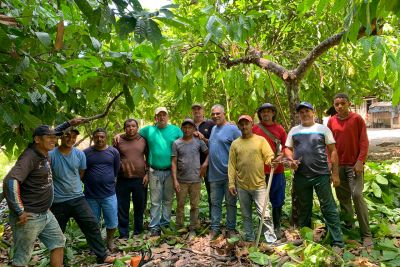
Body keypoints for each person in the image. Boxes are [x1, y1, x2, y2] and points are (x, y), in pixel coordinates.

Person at [2, 119, 79, 267]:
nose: (54, 139)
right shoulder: (30, 157)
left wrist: (70, 123)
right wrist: (19, 211)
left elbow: (52, 133)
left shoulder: (43, 151)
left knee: (58, 242)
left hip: (45, 213)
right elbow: (10, 181)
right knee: (21, 258)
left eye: (54, 137)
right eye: (49, 137)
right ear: (37, 139)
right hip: (29, 216)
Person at [50, 127, 115, 264]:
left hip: (78, 198)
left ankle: (102, 255)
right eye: (67, 136)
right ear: (61, 137)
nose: (70, 139)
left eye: (74, 137)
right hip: (58, 201)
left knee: (91, 224)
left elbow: (81, 173)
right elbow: (47, 177)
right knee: (57, 232)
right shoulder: (51, 155)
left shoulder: (79, 155)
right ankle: (59, 260)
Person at [285, 102, 344, 249]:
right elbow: (287, 148)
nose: (304, 114)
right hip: (301, 176)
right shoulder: (294, 130)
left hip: (321, 175)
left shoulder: (322, 129)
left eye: (307, 111)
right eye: (301, 112)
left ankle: (337, 241)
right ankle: (306, 240)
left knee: (328, 207)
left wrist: (335, 174)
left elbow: (333, 151)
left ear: (313, 112)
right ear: (298, 115)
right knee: (304, 208)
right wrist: (291, 160)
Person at [328, 93, 372, 249]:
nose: (340, 106)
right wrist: (330, 164)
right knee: (343, 197)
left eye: (343, 103)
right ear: (334, 106)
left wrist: (361, 161)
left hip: (354, 166)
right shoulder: (331, 121)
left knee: (357, 195)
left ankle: (366, 234)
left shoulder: (357, 119)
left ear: (349, 104)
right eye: (337, 104)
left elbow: (364, 141)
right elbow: (329, 145)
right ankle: (350, 228)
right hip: (338, 166)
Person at [228, 115, 276, 243]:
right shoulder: (235, 144)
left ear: (251, 125)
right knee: (245, 214)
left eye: (246, 124)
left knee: (264, 213)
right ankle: (250, 238)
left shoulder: (260, 140)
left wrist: (271, 161)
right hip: (242, 185)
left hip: (259, 185)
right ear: (238, 126)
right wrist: (231, 183)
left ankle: (270, 239)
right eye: (241, 124)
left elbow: (268, 156)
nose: (244, 126)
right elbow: (232, 165)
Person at [139, 107, 183, 236]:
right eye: (159, 115)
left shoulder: (175, 130)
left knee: (168, 199)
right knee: (155, 201)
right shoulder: (149, 130)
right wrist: (120, 135)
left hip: (170, 171)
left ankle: (165, 224)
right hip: (154, 171)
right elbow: (133, 134)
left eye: (164, 115)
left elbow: (186, 139)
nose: (162, 117)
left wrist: (197, 134)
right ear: (155, 118)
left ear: (167, 117)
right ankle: (154, 227)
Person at [205, 104, 241, 238]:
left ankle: (230, 229)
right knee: (215, 203)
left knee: (231, 203)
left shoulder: (233, 129)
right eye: (213, 114)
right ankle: (215, 228)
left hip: (229, 175)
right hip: (214, 175)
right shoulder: (214, 128)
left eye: (218, 113)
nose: (215, 116)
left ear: (224, 114)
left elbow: (241, 146)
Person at [252, 103, 287, 238]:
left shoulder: (280, 129)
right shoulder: (255, 129)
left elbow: (285, 147)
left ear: (273, 113)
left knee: (277, 199)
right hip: (259, 171)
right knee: (261, 201)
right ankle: (264, 228)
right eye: (263, 112)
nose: (266, 114)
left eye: (268, 111)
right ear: (260, 114)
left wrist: (280, 157)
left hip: (276, 170)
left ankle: (277, 226)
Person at [83, 128, 120, 251]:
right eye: (97, 137)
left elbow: (116, 170)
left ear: (106, 138)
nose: (99, 139)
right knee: (93, 223)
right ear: (93, 138)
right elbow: (82, 172)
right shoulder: (86, 153)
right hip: (91, 195)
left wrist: (107, 180)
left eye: (102, 137)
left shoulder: (113, 152)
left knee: (112, 220)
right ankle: (96, 244)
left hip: (109, 193)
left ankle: (110, 241)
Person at [172, 118, 208, 235]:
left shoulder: (198, 142)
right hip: (181, 180)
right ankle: (179, 227)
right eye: (185, 127)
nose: (187, 130)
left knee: (194, 205)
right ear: (182, 128)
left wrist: (204, 165)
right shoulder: (177, 143)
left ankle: (194, 226)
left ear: (193, 129)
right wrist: (175, 180)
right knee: (180, 205)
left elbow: (208, 153)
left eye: (190, 127)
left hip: (195, 179)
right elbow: (173, 162)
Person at [113, 119, 149, 238]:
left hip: (140, 179)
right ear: (124, 128)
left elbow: (149, 157)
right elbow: (113, 157)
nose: (131, 128)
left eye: (133, 126)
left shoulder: (143, 140)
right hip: (122, 179)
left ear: (137, 128)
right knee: (122, 207)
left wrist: (147, 174)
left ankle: (138, 231)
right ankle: (124, 233)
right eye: (128, 126)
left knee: (140, 205)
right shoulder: (118, 140)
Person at [191, 103, 215, 219]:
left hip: (208, 163)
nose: (197, 111)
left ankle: (213, 220)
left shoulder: (211, 124)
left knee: (212, 193)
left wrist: (203, 138)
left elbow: (215, 142)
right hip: (192, 165)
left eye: (199, 109)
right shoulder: (188, 125)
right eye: (194, 109)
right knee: (194, 194)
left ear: (203, 111)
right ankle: (194, 221)